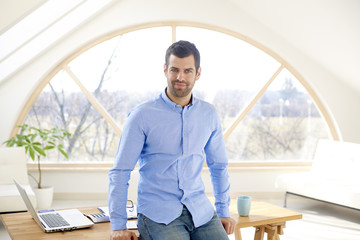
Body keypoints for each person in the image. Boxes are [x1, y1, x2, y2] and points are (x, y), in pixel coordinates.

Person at [108, 40, 236, 240]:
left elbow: (218, 166)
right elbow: (120, 171)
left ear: (198, 73)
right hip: (158, 214)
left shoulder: (209, 114)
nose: (180, 77)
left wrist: (223, 210)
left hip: (200, 211)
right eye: (175, 70)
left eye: (187, 71)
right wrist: (118, 225)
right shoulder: (142, 115)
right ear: (165, 70)